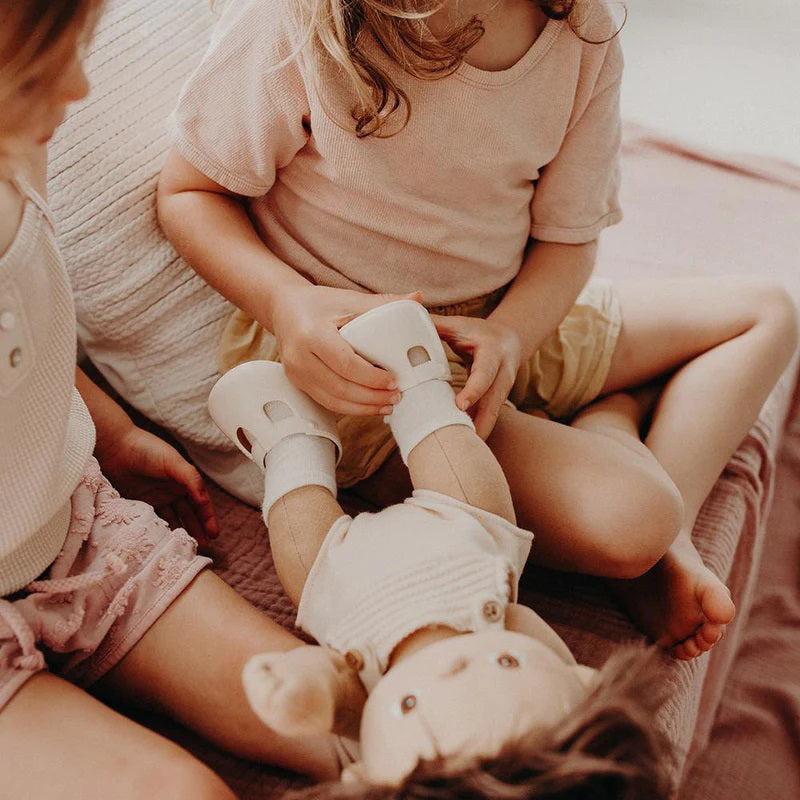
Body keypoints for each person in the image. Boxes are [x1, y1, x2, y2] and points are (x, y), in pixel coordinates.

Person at [159, 0, 797, 660]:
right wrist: (287, 303)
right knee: (634, 517)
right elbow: (189, 193)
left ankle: (657, 516)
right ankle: (635, 491)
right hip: (370, 375)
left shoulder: (580, 29)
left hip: (505, 323)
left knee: (765, 313)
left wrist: (515, 334)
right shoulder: (293, 22)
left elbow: (566, 240)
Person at [0, 3, 359, 795]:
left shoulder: (16, 150)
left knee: (351, 719)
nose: (78, 87)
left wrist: (111, 433)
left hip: (73, 539)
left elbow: (25, 337)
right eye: (36, 74)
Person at [207, 299, 672, 797]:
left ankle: (287, 441)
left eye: (410, 707)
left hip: (339, 581)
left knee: (303, 546)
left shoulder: (369, 697)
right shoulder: (518, 637)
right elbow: (535, 638)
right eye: (506, 666)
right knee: (464, 478)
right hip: (460, 534)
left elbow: (333, 691)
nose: (456, 671)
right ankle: (413, 380)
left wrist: (302, 692)